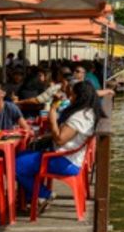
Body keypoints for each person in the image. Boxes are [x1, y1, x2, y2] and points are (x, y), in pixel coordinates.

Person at [15, 81, 100, 214]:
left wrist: (52, 116)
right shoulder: (88, 112)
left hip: (64, 161)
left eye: (73, 95)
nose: (70, 98)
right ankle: (32, 199)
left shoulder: (79, 117)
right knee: (23, 157)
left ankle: (44, 194)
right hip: (69, 157)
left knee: (15, 165)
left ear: (80, 97)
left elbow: (60, 139)